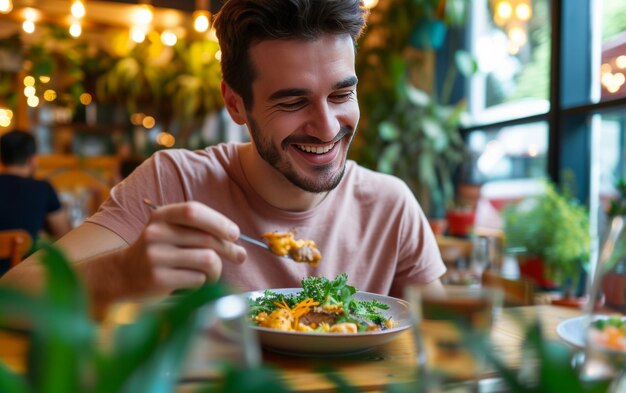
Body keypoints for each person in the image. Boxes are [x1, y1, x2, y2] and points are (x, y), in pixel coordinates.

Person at [1, 0, 445, 312]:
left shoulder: (390, 205)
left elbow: (447, 347)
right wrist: (124, 275)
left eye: (342, 93)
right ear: (235, 104)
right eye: (293, 102)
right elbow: (11, 297)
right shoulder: (174, 183)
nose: (328, 127)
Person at [0, 129, 70, 275]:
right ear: (32, 160)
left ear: (2, 159)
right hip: (25, 283)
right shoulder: (42, 188)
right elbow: (65, 235)